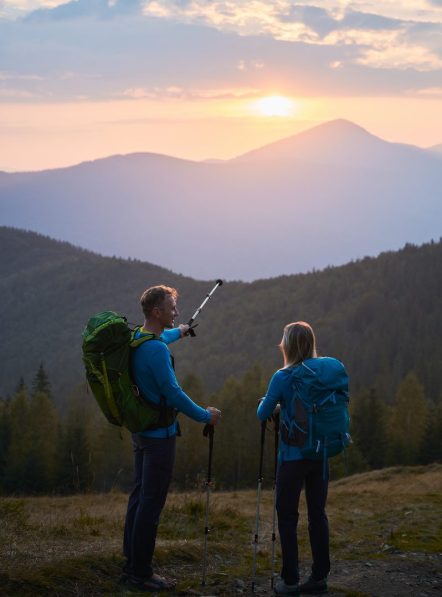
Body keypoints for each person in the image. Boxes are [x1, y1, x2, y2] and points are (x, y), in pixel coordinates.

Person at [123, 285, 221, 592]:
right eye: (172, 308)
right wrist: (206, 416)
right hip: (159, 438)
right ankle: (141, 572)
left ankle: (131, 562)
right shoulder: (156, 351)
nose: (176, 312)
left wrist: (179, 332)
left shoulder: (139, 338)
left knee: (139, 497)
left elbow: (160, 338)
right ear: (157, 311)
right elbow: (174, 394)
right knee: (151, 504)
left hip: (142, 432)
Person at [257, 321, 348, 596]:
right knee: (317, 514)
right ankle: (319, 577)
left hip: (293, 456)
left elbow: (263, 413)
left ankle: (291, 580)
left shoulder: (283, 376)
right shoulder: (325, 371)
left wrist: (272, 402)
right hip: (320, 454)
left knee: (287, 515)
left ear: (288, 345)